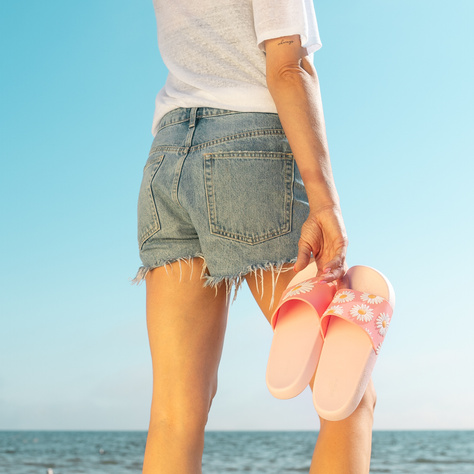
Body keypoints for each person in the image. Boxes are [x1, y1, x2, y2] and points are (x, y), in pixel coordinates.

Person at [132, 1, 376, 472]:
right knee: (347, 395)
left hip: (164, 165)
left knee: (174, 414)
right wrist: (325, 203)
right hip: (248, 155)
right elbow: (287, 67)